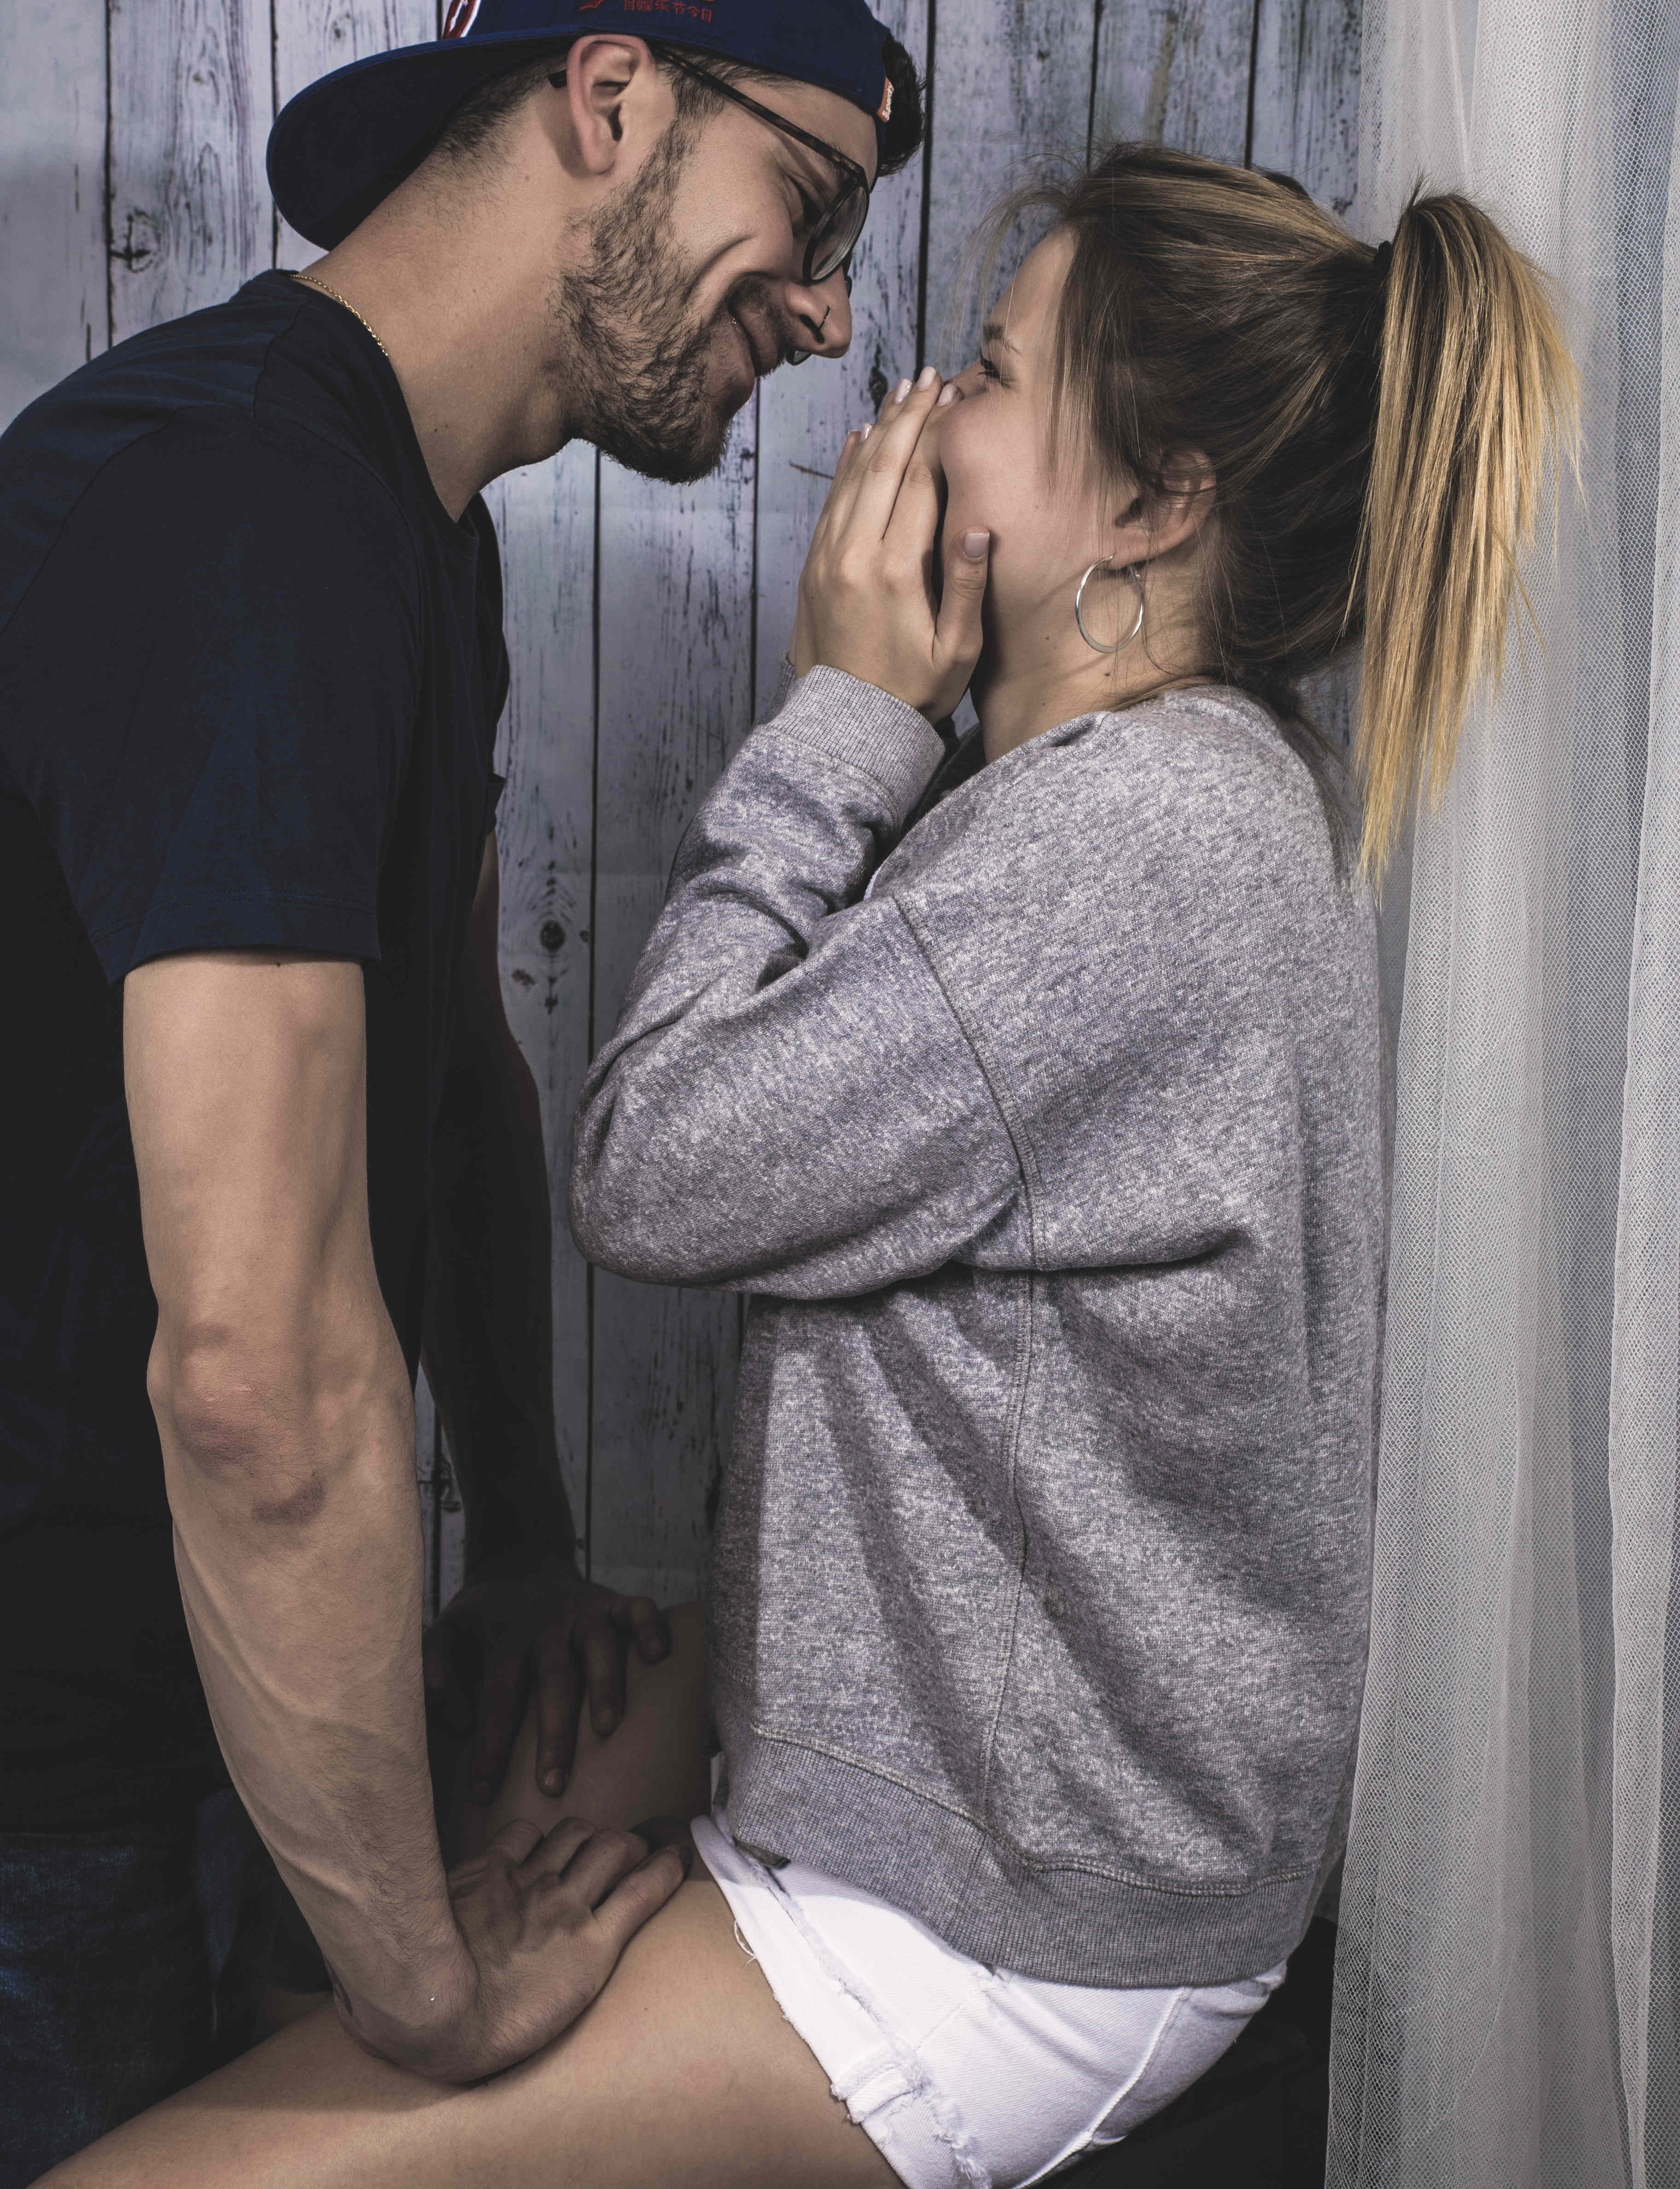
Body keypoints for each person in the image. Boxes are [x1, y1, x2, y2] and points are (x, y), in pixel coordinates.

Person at [35, 147, 1577, 2189]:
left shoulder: (1140, 843)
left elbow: (653, 1163)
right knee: (421, 1795)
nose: (914, 405)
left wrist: (843, 718)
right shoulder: (1149, 790)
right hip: (1011, 1781)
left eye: (994, 371)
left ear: (1155, 505)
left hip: (1005, 1920)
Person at [0, 0, 924, 2180]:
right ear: (612, 98)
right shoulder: (245, 510)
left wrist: (517, 1526)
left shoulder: (413, 531)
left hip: (197, 1715)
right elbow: (254, 1372)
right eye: (810, 208)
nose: (830, 312)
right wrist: (422, 1986)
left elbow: (452, 1077)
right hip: (38, 1785)